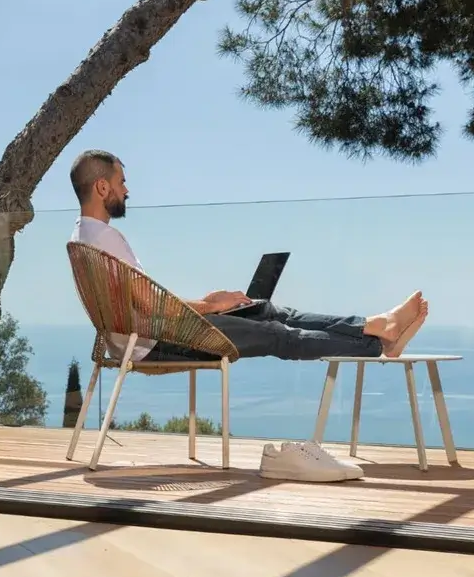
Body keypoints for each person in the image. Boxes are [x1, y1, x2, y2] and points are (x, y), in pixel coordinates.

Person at [67, 149, 429, 483]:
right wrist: (209, 307)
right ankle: (378, 342)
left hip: (141, 337)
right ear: (102, 187)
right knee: (276, 334)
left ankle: (374, 327)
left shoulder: (82, 237)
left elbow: (142, 303)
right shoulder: (108, 239)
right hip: (157, 341)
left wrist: (210, 302)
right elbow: (149, 305)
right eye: (121, 182)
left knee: (264, 309)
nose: (127, 190)